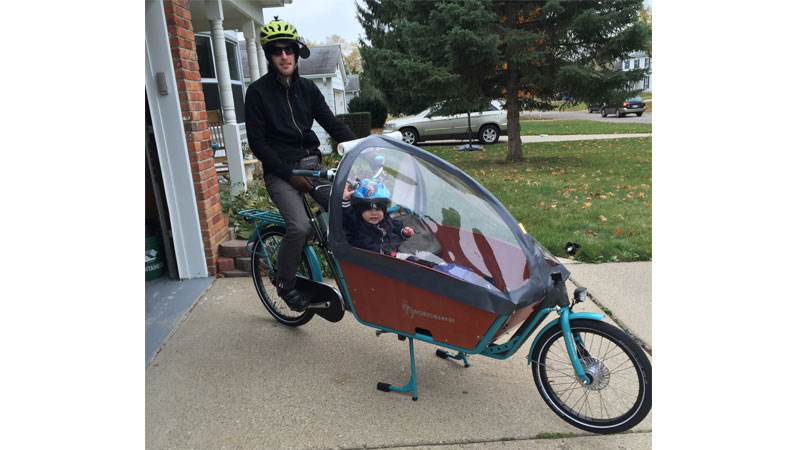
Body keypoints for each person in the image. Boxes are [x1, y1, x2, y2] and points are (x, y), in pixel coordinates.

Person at [245, 17, 357, 311]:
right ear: (270, 56)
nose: (284, 56)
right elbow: (258, 143)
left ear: (296, 53)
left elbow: (332, 124)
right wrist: (286, 173)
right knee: (299, 226)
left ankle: (358, 272)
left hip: (309, 164)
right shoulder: (257, 93)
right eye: (277, 51)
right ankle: (284, 282)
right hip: (280, 172)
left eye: (289, 50)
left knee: (348, 207)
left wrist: (362, 148)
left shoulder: (308, 89)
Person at [342, 178, 415, 255]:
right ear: (360, 211)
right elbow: (346, 216)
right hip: (368, 261)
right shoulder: (356, 224)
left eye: (378, 209)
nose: (374, 213)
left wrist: (404, 232)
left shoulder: (386, 222)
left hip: (393, 257)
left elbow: (397, 227)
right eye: (368, 210)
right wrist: (345, 200)